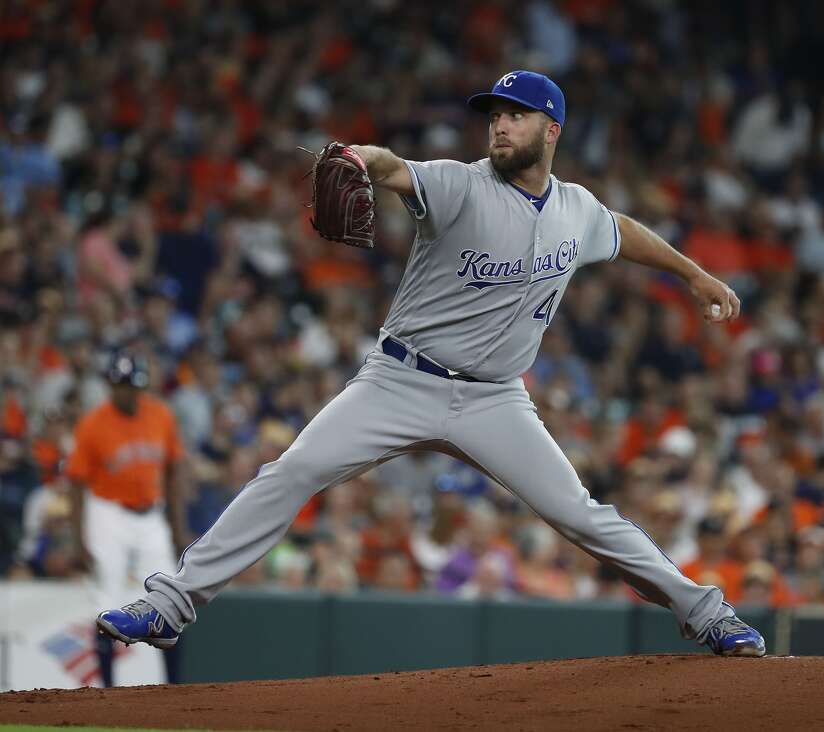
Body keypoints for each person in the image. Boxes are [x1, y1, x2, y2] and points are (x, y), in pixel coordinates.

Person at [98, 70, 765, 657]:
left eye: (516, 115)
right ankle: (170, 605)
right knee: (291, 472)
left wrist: (693, 273)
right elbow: (394, 168)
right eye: (495, 114)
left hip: (496, 400)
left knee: (581, 514)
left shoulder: (576, 210)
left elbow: (621, 231)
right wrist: (357, 157)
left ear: (551, 130)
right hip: (400, 380)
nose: (500, 125)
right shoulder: (458, 185)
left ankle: (706, 614)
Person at [70, 352, 188, 685]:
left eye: (132, 385)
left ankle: (175, 687)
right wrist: (79, 540)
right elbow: (76, 483)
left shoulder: (161, 415)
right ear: (110, 386)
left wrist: (177, 527)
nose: (127, 392)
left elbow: (173, 471)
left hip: (151, 515)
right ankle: (108, 692)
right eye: (121, 385)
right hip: (108, 514)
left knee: (170, 596)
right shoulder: (93, 423)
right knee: (107, 600)